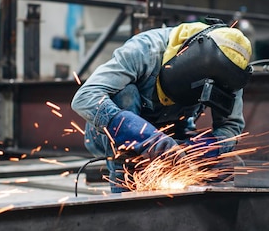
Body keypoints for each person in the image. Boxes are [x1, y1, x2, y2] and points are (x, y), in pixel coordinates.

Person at [71, 19, 253, 193]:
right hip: (115, 138)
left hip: (173, 140)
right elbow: (84, 98)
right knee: (125, 94)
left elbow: (230, 127)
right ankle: (124, 185)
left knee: (232, 166)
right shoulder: (145, 50)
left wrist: (198, 151)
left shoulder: (231, 73)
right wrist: (148, 139)